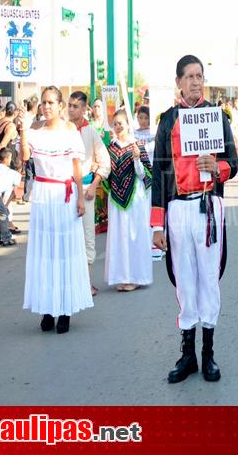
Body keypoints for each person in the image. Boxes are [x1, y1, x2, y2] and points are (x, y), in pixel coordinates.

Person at [151, 55, 238, 384]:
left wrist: (218, 168)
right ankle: (187, 354)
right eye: (189, 76)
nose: (195, 82)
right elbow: (159, 171)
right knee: (185, 280)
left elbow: (235, 161)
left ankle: (208, 354)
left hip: (207, 206)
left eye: (199, 75)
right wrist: (156, 224)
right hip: (177, 209)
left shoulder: (217, 118)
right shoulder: (168, 120)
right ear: (178, 82)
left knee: (208, 278)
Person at [21, 87, 91, 335]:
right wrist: (22, 129)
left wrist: (80, 198)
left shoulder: (70, 130)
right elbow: (25, 156)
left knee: (63, 252)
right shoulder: (34, 129)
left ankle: (64, 310)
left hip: (64, 195)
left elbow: (76, 167)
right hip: (42, 195)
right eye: (43, 102)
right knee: (45, 253)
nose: (47, 106)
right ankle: (47, 309)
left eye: (51, 102)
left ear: (60, 105)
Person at [67, 91, 111, 297]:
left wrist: (94, 185)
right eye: (69, 105)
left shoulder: (91, 132)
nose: (71, 109)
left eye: (76, 106)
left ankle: (86, 282)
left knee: (87, 237)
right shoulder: (62, 130)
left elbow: (105, 163)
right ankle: (67, 282)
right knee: (65, 237)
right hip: (64, 191)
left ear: (85, 109)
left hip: (85, 190)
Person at [104, 110, 153, 292]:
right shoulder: (111, 148)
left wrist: (137, 159)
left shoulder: (138, 145)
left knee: (134, 236)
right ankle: (122, 276)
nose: (118, 127)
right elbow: (108, 173)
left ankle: (137, 277)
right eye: (115, 124)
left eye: (121, 123)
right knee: (119, 236)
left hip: (136, 197)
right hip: (116, 198)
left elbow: (145, 174)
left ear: (127, 124)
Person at [0, 148, 21, 247]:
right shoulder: (17, 175)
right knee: (3, 215)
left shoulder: (7, 171)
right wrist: (6, 205)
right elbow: (13, 193)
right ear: (20, 169)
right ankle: (6, 238)